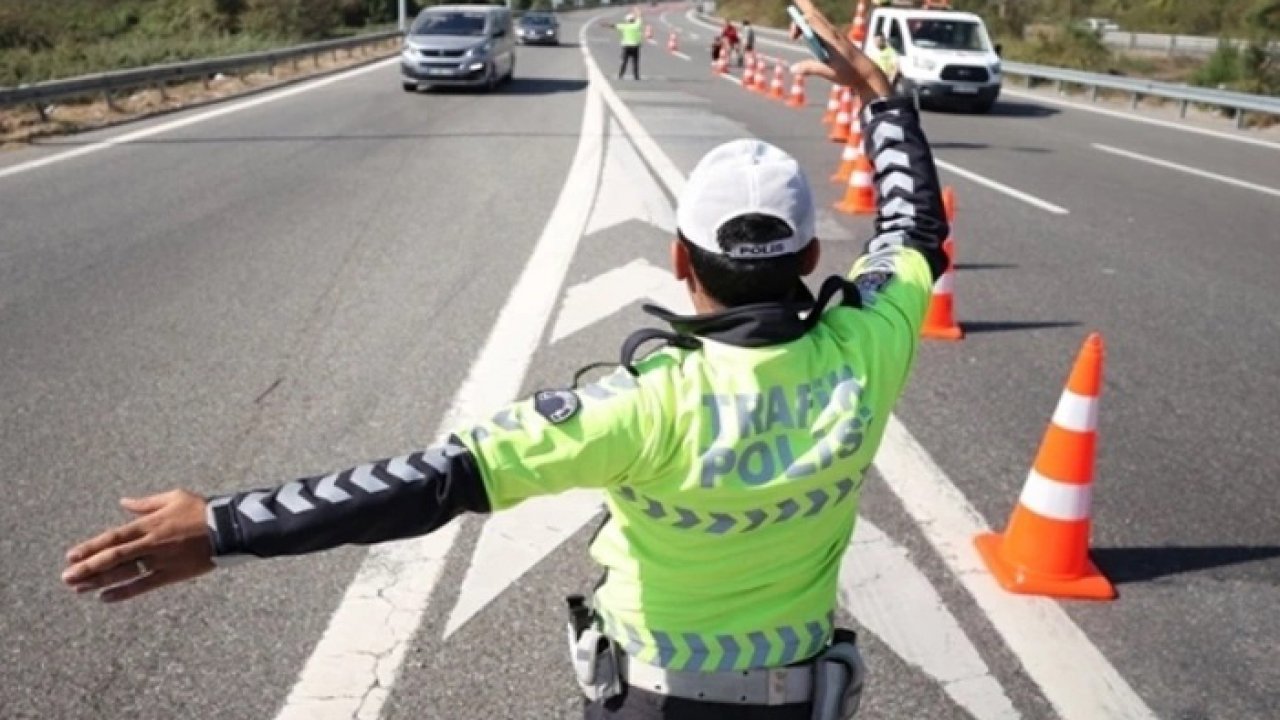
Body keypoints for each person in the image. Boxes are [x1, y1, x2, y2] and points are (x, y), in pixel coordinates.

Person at [59, 0, 949, 717]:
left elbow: (428, 483)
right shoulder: (870, 346)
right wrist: (880, 96)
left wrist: (223, 526)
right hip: (799, 699)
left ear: (680, 259)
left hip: (653, 700)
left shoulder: (640, 406)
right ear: (807, 259)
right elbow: (914, 228)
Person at [612, 11, 644, 80]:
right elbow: (640, 17)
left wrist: (604, 25)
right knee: (635, 61)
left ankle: (620, 75)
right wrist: (637, 12)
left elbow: (614, 26)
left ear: (627, 20)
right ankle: (636, 76)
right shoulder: (637, 25)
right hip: (635, 46)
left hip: (626, 46)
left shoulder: (624, 26)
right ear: (633, 20)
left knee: (624, 61)